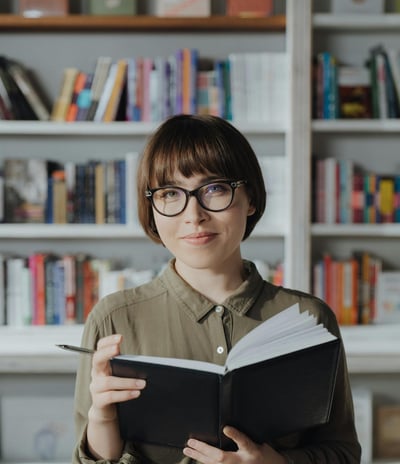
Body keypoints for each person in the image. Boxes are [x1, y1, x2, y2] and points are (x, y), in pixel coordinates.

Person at [72, 114, 361, 464]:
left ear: (250, 198)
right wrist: (102, 417)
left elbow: (343, 453)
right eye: (169, 193)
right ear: (152, 207)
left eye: (215, 189)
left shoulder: (310, 319)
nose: (194, 215)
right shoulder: (113, 318)